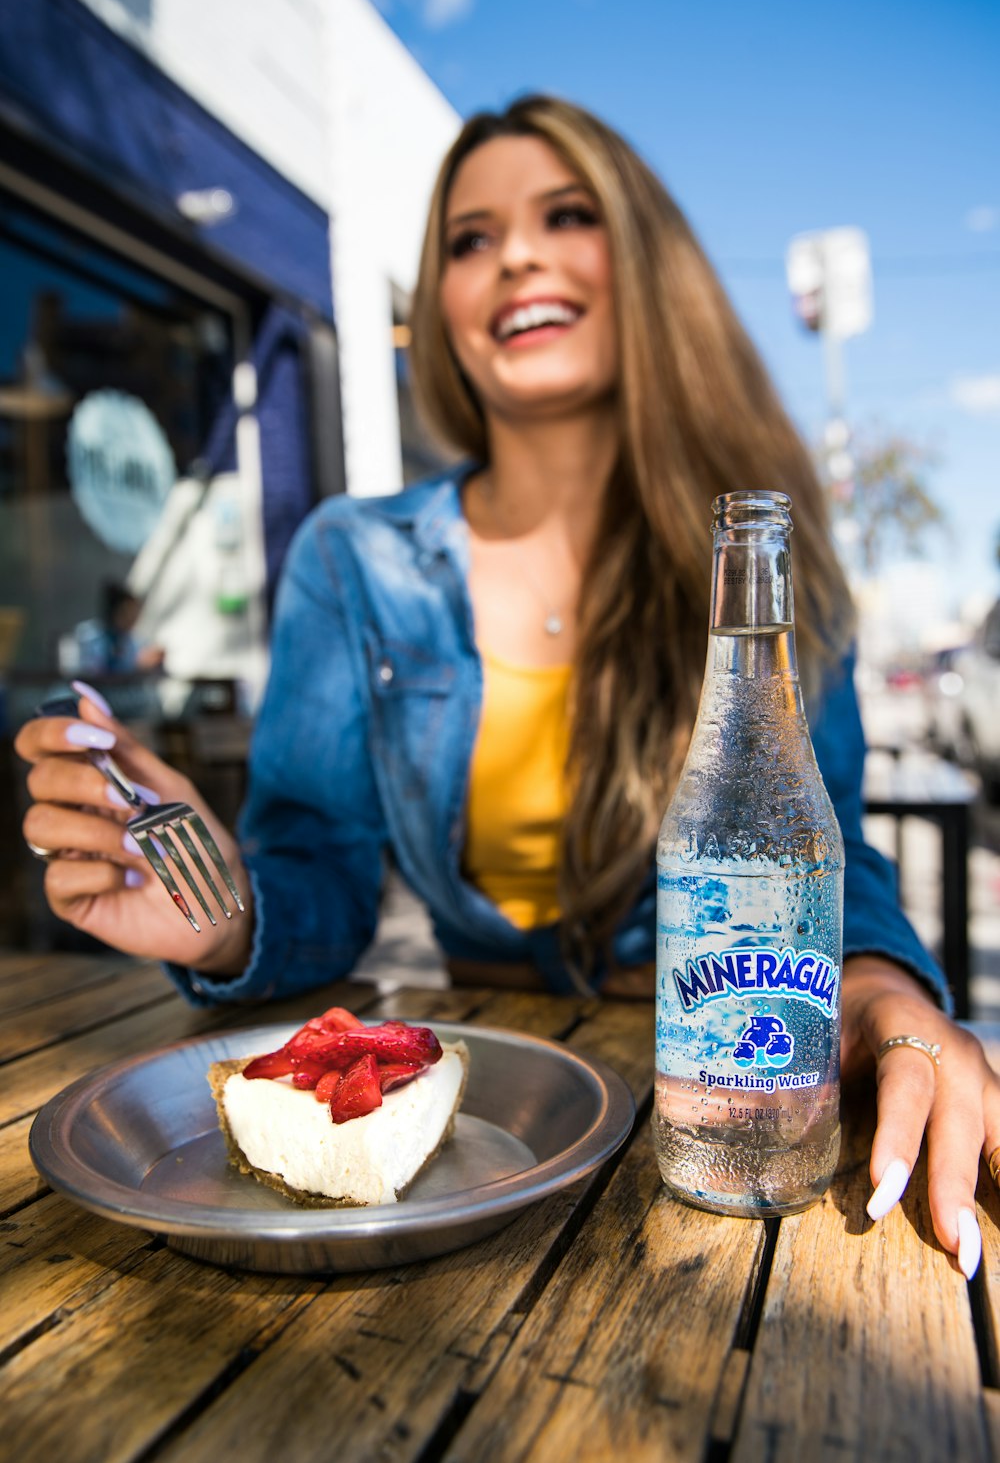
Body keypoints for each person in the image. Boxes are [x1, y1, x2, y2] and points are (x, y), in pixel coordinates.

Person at [16, 95, 999, 1277]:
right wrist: (221, 910)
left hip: (723, 1107)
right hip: (484, 1129)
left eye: (565, 215)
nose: (515, 253)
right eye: (469, 239)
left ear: (644, 263)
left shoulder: (759, 566)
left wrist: (888, 989)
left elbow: (819, 855)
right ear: (440, 306)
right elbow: (318, 865)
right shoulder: (353, 557)